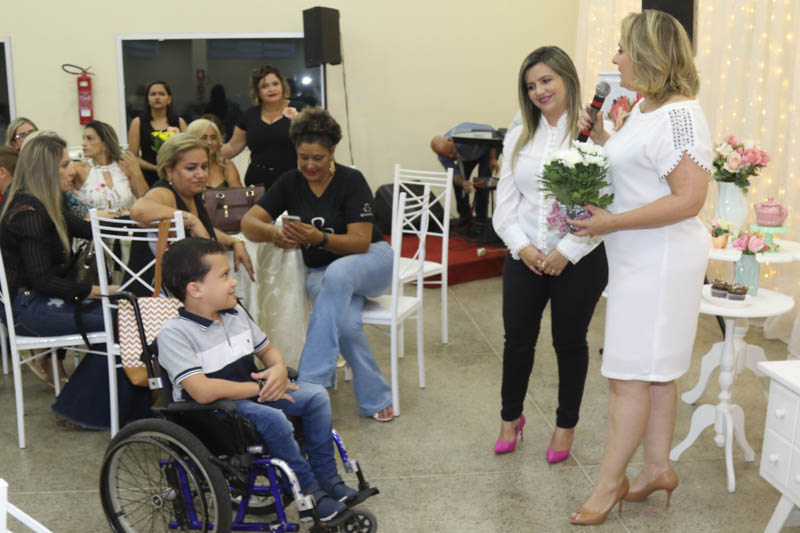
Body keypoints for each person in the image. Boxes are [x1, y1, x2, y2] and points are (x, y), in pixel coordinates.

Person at [567, 10, 712, 525]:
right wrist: (606, 138)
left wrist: (613, 222)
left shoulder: (679, 114)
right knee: (656, 373)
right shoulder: (648, 108)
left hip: (661, 259)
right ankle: (656, 469)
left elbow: (690, 198)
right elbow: (644, 171)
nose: (615, 58)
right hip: (640, 256)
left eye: (622, 48)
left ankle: (609, 485)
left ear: (648, 54)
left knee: (628, 376)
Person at [158, 237, 358, 522]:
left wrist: (277, 369)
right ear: (195, 289)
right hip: (213, 411)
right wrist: (260, 387)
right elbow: (201, 391)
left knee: (316, 396)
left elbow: (267, 350)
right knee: (274, 419)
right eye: (225, 275)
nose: (234, 282)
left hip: (253, 395)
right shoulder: (175, 334)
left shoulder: (236, 313)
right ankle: (310, 492)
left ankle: (329, 480)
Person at [491, 47, 608, 461]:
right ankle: (510, 419)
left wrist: (566, 250)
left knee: (569, 342)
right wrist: (521, 246)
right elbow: (504, 201)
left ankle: (565, 426)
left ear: (566, 78)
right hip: (524, 253)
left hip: (580, 256)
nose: (539, 90)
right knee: (517, 340)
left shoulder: (593, 129)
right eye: (531, 85)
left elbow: (605, 200)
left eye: (546, 80)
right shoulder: (520, 128)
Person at [241, 107, 394, 422]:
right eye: (303, 158)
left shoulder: (351, 180)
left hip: (370, 263)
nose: (309, 165)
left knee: (339, 272)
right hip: (322, 273)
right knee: (347, 324)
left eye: (318, 158)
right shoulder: (289, 182)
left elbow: (361, 241)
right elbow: (248, 223)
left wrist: (319, 238)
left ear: (333, 152)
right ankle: (376, 398)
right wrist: (274, 233)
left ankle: (311, 380)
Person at [0, 131, 149, 428]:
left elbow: (90, 229)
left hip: (36, 301)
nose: (73, 171)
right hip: (27, 310)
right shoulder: (29, 212)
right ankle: (82, 409)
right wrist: (100, 290)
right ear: (45, 169)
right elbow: (42, 280)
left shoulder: (43, 204)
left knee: (128, 319)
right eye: (65, 164)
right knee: (127, 322)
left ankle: (96, 407)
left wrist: (145, 218)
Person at [129, 133, 254, 296]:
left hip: (189, 294)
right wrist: (190, 219)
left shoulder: (191, 195)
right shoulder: (164, 193)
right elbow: (137, 210)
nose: (200, 174)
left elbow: (207, 231)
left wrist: (235, 241)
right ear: (169, 170)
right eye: (191, 168)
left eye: (204, 167)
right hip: (158, 300)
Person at [220, 65, 305, 190]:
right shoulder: (249, 115)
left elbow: (317, 138)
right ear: (257, 91)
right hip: (258, 184)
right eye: (265, 86)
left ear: (282, 85)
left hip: (293, 181)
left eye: (275, 84)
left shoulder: (299, 109)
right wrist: (205, 153)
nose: (271, 89)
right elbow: (232, 147)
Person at [430, 123, 499, 227]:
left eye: (451, 151)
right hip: (465, 157)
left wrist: (493, 158)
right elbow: (454, 175)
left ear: (450, 141)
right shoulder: (443, 155)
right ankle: (465, 216)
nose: (451, 156)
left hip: (486, 151)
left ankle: (481, 218)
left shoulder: (464, 133)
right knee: (458, 184)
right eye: (447, 155)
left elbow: (493, 134)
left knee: (482, 182)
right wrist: (463, 183)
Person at [71, 120, 148, 212]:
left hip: (125, 224)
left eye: (89, 138)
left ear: (105, 143)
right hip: (91, 225)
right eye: (83, 138)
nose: (83, 143)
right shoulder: (78, 169)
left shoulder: (124, 167)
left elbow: (146, 202)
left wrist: (137, 172)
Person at [127, 80, 188, 186]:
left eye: (161, 94)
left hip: (176, 177)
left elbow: (188, 152)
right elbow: (133, 158)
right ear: (147, 100)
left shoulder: (179, 122)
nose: (157, 97)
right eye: (153, 94)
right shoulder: (138, 122)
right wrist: (157, 168)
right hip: (148, 178)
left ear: (169, 99)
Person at [186, 118, 243, 189]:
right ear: (192, 141)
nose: (209, 142)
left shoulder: (227, 166)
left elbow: (240, 196)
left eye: (213, 138)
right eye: (203, 138)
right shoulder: (184, 167)